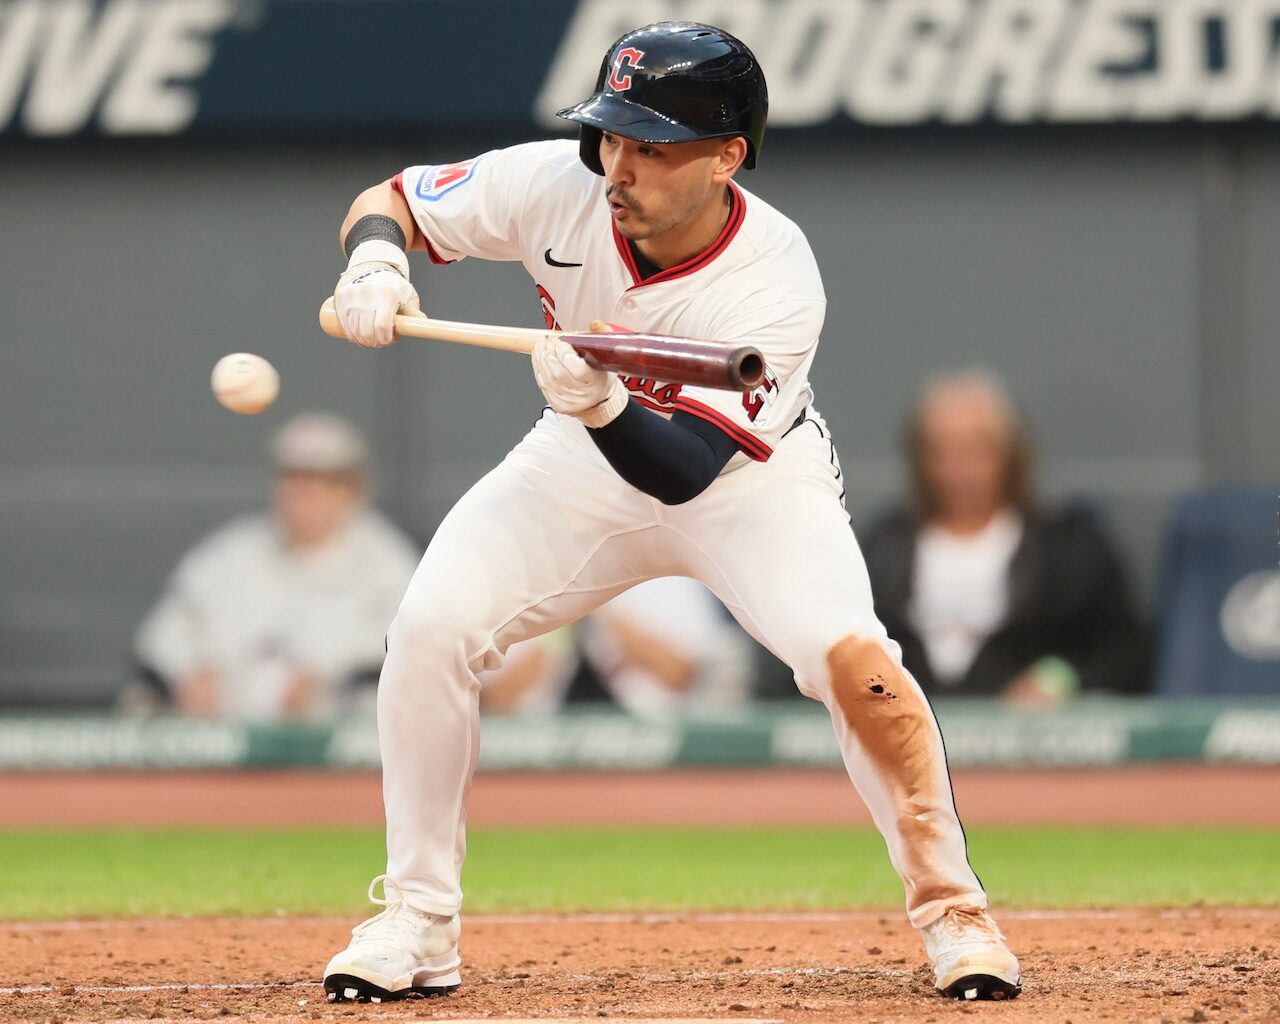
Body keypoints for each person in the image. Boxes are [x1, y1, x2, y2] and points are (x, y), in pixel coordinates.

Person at [320, 22, 1021, 1004]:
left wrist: (602, 398)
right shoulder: (555, 187)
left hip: (744, 478)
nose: (619, 167)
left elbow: (684, 471)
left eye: (652, 147)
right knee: (431, 627)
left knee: (851, 659)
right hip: (576, 461)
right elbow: (390, 200)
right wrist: (377, 264)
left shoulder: (774, 274)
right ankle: (418, 919)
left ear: (725, 157)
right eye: (612, 135)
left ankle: (953, 912)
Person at [861, 371, 1148, 704]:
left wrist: (1060, 679)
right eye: (941, 452)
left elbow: (1125, 650)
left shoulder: (1067, 548)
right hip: (907, 740)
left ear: (1010, 454)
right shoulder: (883, 549)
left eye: (975, 450)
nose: (958, 469)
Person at [133, 413, 419, 721]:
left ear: (352, 490)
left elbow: (414, 649)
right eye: (293, 480)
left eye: (323, 482)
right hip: (225, 748)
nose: (304, 495)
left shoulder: (387, 560)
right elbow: (164, 633)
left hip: (339, 752)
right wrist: (189, 670)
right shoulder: (232, 551)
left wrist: (329, 683)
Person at [480, 576, 754, 717]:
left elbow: (679, 675)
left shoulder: (668, 579)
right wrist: (561, 626)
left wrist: (601, 609)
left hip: (661, 731)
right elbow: (498, 704)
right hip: (545, 749)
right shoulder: (524, 586)